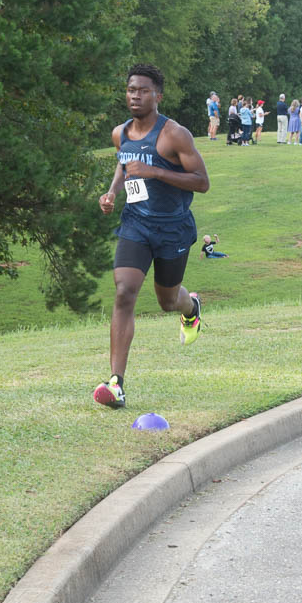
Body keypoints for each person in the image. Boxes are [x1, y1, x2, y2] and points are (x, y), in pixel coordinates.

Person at [96, 63, 207, 408]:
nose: (135, 96)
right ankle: (116, 384)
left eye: (143, 90)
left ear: (157, 96)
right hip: (136, 225)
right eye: (131, 90)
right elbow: (124, 162)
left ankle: (191, 307)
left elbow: (202, 182)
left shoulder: (174, 135)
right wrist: (113, 191)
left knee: (166, 300)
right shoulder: (121, 132)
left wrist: (156, 172)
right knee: (125, 291)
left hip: (172, 227)